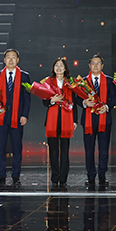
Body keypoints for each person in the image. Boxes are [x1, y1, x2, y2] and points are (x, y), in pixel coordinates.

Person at [0, 48, 31, 187]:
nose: (11, 60)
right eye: (8, 57)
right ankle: (1, 176)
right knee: (0, 148)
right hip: (1, 117)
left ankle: (16, 177)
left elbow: (27, 98)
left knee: (17, 148)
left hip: (17, 117)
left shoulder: (24, 76)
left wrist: (24, 115)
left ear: (18, 60)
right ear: (4, 60)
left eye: (14, 57)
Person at [79, 54, 116, 189]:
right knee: (89, 150)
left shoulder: (109, 81)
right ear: (89, 65)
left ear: (102, 66)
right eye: (93, 63)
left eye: (98, 63)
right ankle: (90, 176)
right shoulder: (83, 82)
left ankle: (102, 176)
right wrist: (84, 102)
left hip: (104, 119)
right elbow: (77, 98)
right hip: (88, 120)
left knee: (103, 150)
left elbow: (114, 98)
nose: (96, 66)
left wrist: (106, 107)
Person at [43, 57, 77, 188]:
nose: (58, 68)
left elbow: (74, 102)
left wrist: (75, 120)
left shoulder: (70, 83)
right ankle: (55, 176)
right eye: (56, 65)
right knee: (53, 150)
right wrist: (52, 100)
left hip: (67, 119)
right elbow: (44, 101)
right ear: (53, 68)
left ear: (65, 68)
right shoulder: (48, 82)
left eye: (61, 65)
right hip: (52, 120)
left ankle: (63, 177)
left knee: (64, 150)